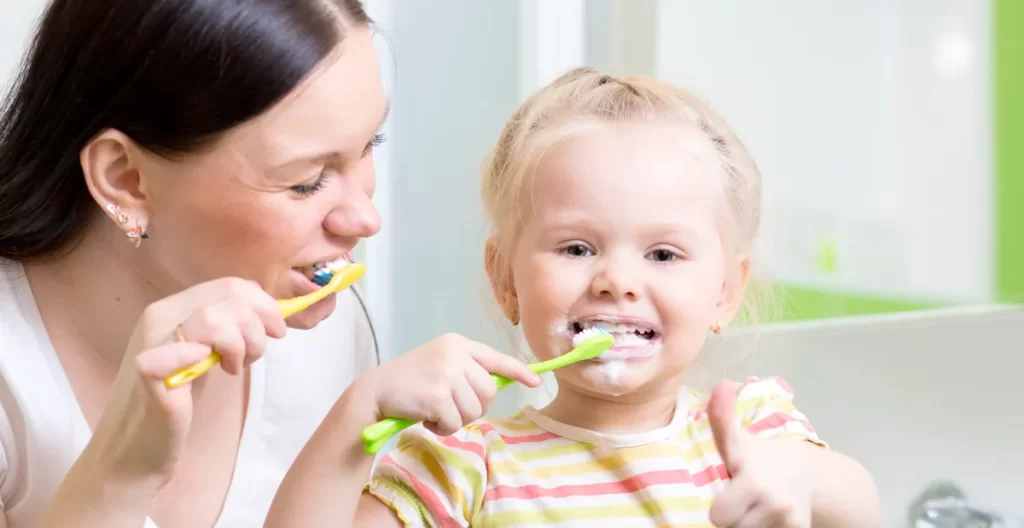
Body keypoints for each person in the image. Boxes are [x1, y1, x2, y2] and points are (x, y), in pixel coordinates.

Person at [0, 1, 541, 527]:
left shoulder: (326, 336)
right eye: (306, 180)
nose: (365, 218)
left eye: (369, 144)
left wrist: (352, 427)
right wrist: (119, 472)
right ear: (126, 179)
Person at [265, 68, 882, 527]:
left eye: (663, 255)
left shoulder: (751, 433)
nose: (617, 279)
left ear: (725, 293)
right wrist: (357, 412)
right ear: (506, 279)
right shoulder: (461, 467)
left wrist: (797, 477)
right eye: (577, 249)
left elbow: (858, 505)